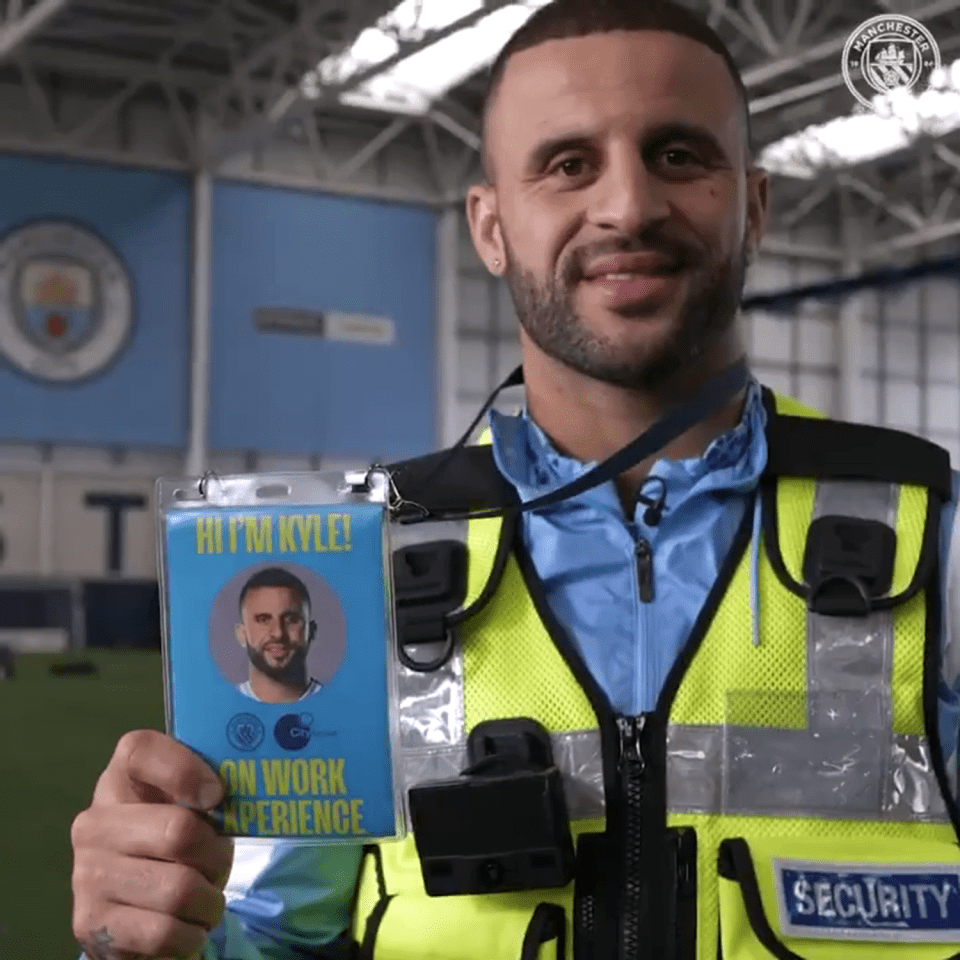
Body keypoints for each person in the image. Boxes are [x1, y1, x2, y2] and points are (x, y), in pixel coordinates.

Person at [71, 1, 960, 958]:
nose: (628, 206)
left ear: (753, 207)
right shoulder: (360, 566)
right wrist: (157, 931)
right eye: (569, 163)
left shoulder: (938, 546)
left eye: (679, 156)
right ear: (491, 227)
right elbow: (268, 939)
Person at [232, 567, 322, 704]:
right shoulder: (218, 706)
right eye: (264, 620)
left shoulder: (341, 705)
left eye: (291, 620)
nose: (278, 633)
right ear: (242, 634)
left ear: (311, 631)